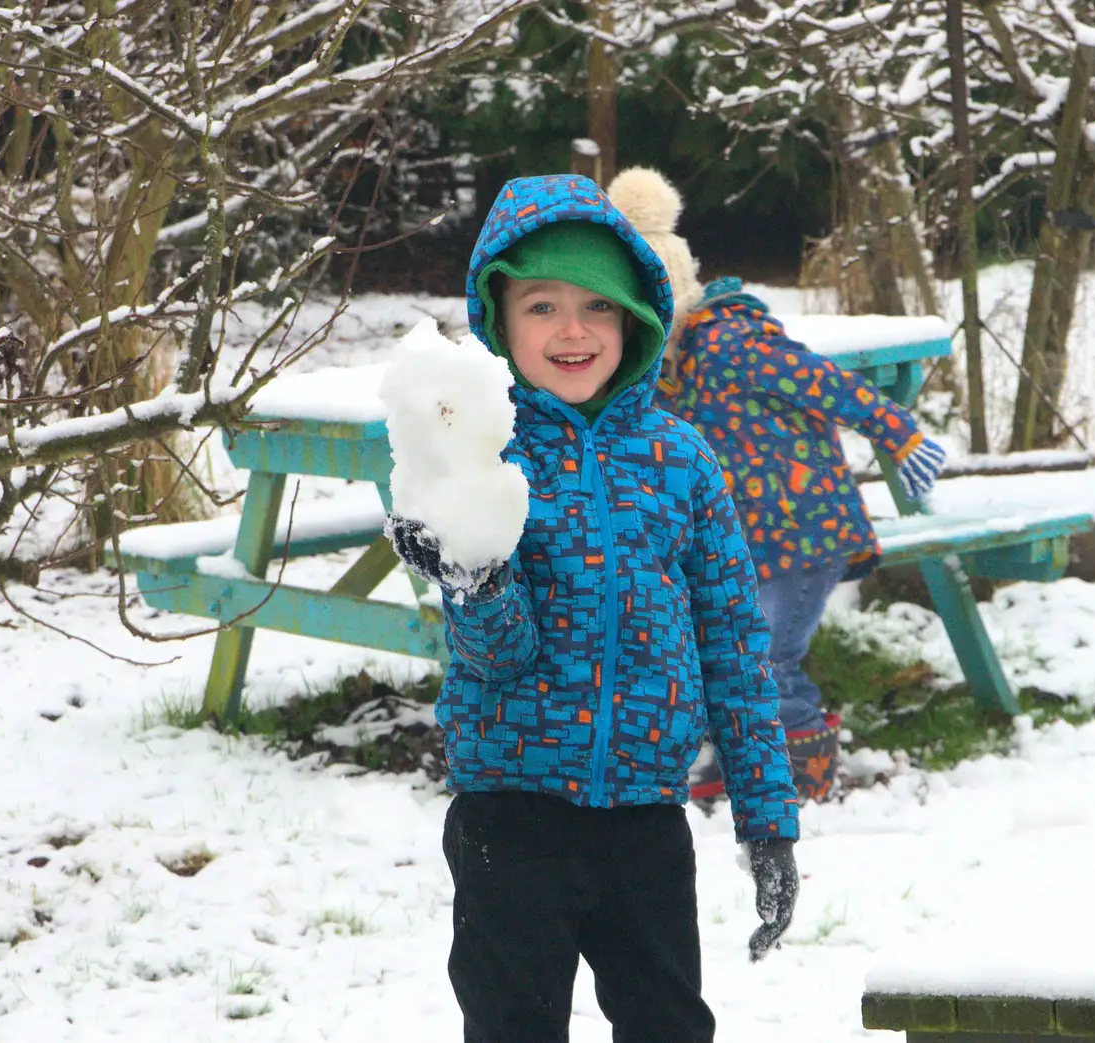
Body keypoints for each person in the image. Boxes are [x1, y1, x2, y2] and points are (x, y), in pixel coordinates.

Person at [384, 173, 801, 1043]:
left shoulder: (682, 459)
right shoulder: (486, 460)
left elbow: (733, 644)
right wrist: (477, 584)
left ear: (636, 318)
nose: (573, 330)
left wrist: (767, 820)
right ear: (499, 318)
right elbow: (498, 657)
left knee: (669, 1026)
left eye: (598, 307)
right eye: (543, 306)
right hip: (512, 814)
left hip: (647, 816)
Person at [606, 166, 946, 806]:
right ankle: (741, 760)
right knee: (721, 656)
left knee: (764, 658)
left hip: (805, 534)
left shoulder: (733, 343)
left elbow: (824, 383)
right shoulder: (664, 380)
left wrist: (897, 433)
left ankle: (804, 776)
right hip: (745, 547)